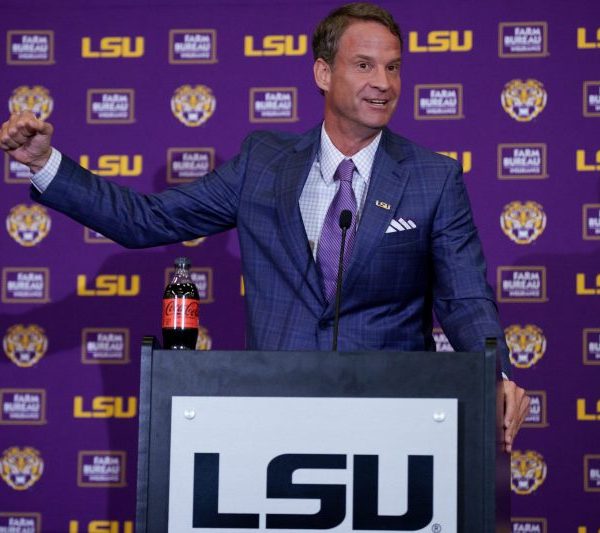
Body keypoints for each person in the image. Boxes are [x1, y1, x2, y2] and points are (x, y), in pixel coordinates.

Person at [0, 2, 528, 450]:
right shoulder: (263, 164)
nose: (383, 84)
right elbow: (145, 220)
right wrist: (44, 163)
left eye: (393, 68)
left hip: (391, 419)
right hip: (275, 416)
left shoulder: (433, 177)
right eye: (364, 65)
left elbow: (464, 298)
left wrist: (497, 375)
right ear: (323, 73)